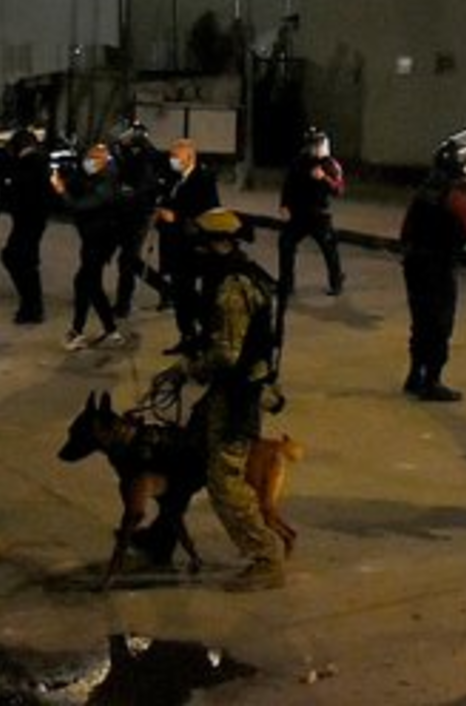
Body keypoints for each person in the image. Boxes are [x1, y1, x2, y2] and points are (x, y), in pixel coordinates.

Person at [151, 208, 287, 590]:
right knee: (187, 456)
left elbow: (227, 354)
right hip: (230, 389)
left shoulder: (230, 288)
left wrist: (185, 369)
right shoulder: (239, 275)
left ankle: (266, 559)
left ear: (215, 243)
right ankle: (162, 536)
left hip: (238, 394)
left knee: (224, 480)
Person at [398, 131, 466, 402]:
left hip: (414, 263)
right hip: (439, 266)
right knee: (440, 324)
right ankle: (433, 380)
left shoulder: (426, 190)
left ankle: (415, 375)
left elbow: (406, 228)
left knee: (420, 321)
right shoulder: (455, 198)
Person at [51, 142, 126, 350]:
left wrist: (60, 190)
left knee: (86, 283)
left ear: (104, 160)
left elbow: (80, 206)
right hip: (93, 239)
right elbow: (77, 185)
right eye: (88, 157)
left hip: (100, 240)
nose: (88, 162)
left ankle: (79, 331)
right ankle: (110, 330)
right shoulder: (96, 177)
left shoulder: (107, 183)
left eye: (93, 158)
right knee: (89, 283)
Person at [155, 137, 221, 347]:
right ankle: (186, 335)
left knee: (189, 293)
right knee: (179, 293)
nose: (172, 160)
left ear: (189, 157)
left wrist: (178, 217)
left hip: (193, 245)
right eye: (171, 156)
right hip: (173, 243)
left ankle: (207, 332)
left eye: (176, 156)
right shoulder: (173, 178)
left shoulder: (203, 179)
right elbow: (165, 200)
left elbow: (209, 211)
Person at [277, 127, 347, 305]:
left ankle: (336, 281)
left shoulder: (330, 164)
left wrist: (324, 178)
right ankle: (286, 284)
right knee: (286, 245)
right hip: (298, 214)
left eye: (317, 144)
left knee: (329, 248)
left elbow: (339, 190)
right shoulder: (299, 161)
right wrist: (284, 205)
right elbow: (288, 184)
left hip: (319, 215)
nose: (313, 148)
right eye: (311, 144)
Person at [0, 129, 51, 325]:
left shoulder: (34, 164)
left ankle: (32, 307)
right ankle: (31, 306)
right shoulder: (31, 163)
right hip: (28, 219)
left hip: (30, 219)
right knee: (20, 260)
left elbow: (22, 190)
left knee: (19, 260)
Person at [108, 122, 162, 320]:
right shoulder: (129, 153)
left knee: (128, 260)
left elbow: (143, 186)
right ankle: (166, 290)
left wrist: (127, 193)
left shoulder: (145, 157)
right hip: (127, 212)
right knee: (131, 260)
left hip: (139, 213)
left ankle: (123, 304)